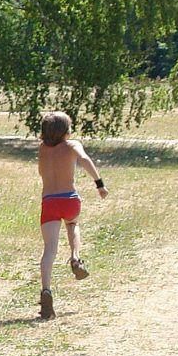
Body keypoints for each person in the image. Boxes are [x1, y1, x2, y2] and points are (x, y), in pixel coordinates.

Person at [36, 111, 108, 320]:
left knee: (49, 249)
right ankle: (75, 258)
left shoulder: (42, 149)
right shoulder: (72, 145)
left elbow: (42, 172)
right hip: (69, 198)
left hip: (49, 200)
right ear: (65, 130)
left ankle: (46, 290)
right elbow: (85, 160)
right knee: (72, 224)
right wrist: (99, 185)